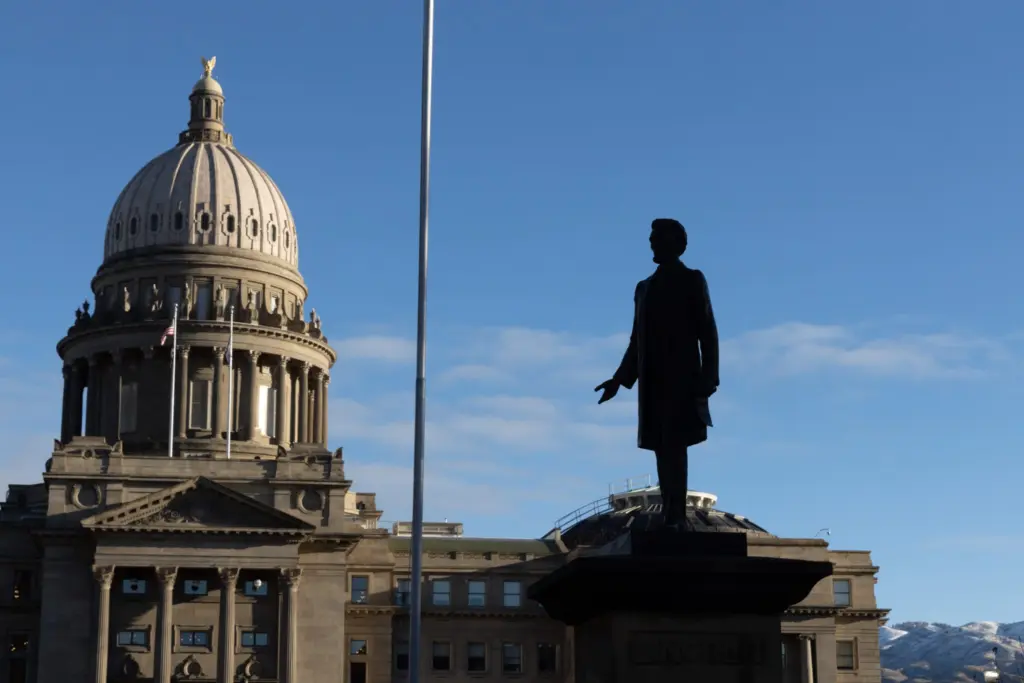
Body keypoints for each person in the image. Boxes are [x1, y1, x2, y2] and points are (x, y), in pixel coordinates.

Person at [596, 218, 720, 529]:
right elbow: (636, 339)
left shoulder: (692, 279)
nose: (651, 243)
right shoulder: (643, 288)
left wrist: (709, 376)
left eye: (657, 238)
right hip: (652, 380)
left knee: (675, 445)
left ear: (676, 244)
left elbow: (708, 329)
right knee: (662, 447)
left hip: (682, 376)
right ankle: (670, 511)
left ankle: (676, 514)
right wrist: (619, 380)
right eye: (651, 238)